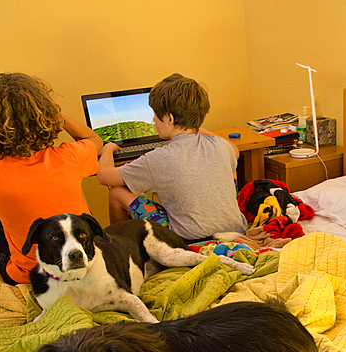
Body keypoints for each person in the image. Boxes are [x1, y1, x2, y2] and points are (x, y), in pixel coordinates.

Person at [0, 72, 103, 285]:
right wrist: (57, 116)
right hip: (81, 260)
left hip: (30, 274)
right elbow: (94, 139)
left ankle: (3, 264)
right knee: (76, 185)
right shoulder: (69, 157)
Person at [96, 73, 248, 242]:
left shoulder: (158, 158)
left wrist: (108, 148)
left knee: (117, 192)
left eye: (155, 114)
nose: (153, 120)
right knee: (230, 167)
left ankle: (121, 245)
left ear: (170, 118)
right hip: (237, 231)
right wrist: (199, 129)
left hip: (189, 240)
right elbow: (235, 151)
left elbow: (104, 176)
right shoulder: (221, 145)